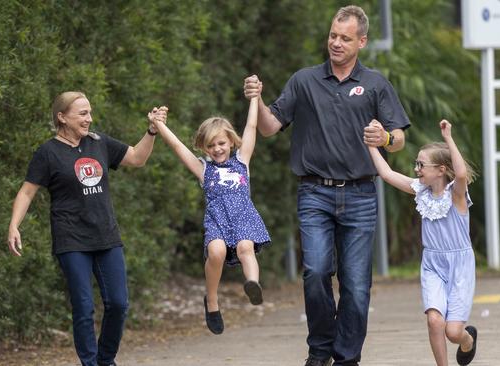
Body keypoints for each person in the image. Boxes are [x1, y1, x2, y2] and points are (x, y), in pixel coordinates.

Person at [243, 5, 410, 366]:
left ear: (361, 42)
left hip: (361, 195)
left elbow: (399, 138)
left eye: (344, 38)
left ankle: (347, 358)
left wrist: (384, 137)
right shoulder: (304, 80)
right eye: (332, 35)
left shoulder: (376, 84)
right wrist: (256, 99)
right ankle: (319, 352)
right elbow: (271, 127)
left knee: (355, 285)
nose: (335, 42)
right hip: (314, 192)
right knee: (316, 270)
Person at [7, 91, 167, 366]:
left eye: (89, 113)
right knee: (83, 308)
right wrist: (13, 225)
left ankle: (105, 360)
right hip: (71, 239)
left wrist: (152, 131)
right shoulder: (48, 152)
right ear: (62, 117)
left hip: (106, 236)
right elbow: (27, 192)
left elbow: (137, 158)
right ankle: (91, 363)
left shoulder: (99, 143)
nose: (89, 119)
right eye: (82, 113)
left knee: (118, 304)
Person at [150, 81, 270, 335]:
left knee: (246, 247)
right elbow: (177, 147)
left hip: (243, 216)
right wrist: (159, 125)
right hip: (217, 219)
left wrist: (254, 99)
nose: (217, 149)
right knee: (215, 252)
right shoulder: (204, 169)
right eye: (211, 146)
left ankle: (252, 284)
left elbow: (251, 126)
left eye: (221, 143)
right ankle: (212, 302)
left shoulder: (242, 160)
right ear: (205, 148)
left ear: (231, 142)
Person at [366, 119, 478, 366]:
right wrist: (372, 144)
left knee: (453, 332)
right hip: (432, 263)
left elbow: (460, 173)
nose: (416, 169)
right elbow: (386, 173)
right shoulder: (420, 191)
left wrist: (448, 138)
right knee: (435, 321)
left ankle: (467, 339)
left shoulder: (456, 194)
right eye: (416, 163)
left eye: (421, 164)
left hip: (460, 264)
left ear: (440, 169)